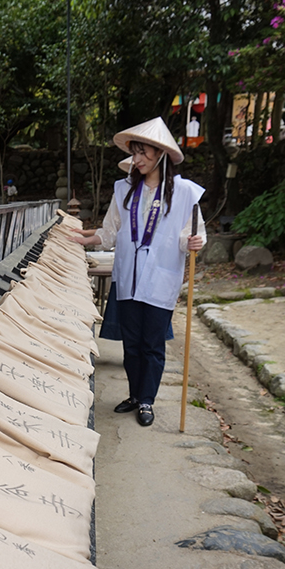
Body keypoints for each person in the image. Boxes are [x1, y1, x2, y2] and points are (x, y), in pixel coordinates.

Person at [71, 117, 205, 427]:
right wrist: (81, 239)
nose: (138, 159)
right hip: (128, 278)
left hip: (161, 279)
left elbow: (193, 234)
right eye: (135, 153)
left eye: (143, 153)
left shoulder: (184, 192)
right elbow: (107, 233)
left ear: (160, 154)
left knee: (152, 345)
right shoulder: (125, 189)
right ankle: (134, 394)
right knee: (131, 345)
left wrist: (194, 242)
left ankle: (147, 400)